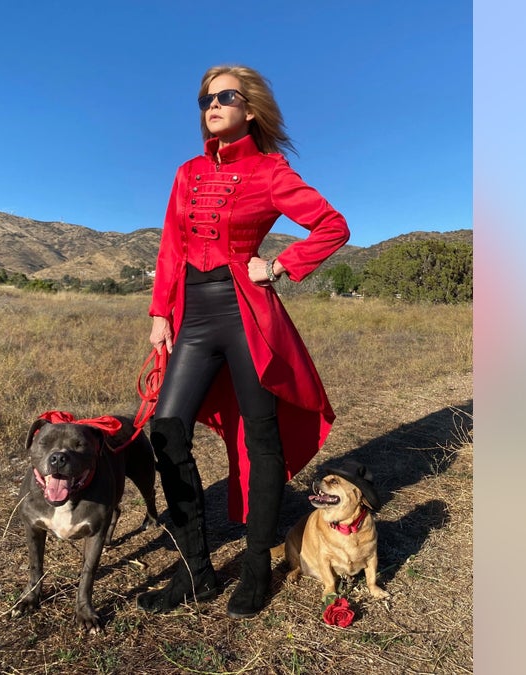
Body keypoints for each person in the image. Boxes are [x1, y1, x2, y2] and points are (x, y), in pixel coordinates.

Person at [137, 64, 350, 619]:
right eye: (205, 98)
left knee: (261, 441)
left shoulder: (271, 171)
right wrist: (161, 314)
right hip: (193, 316)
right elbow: (169, 247)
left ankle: (256, 567)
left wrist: (279, 264)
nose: (211, 104)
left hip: (245, 315)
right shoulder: (186, 172)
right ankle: (195, 573)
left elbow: (332, 226)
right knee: (166, 430)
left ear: (249, 108)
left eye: (225, 96)